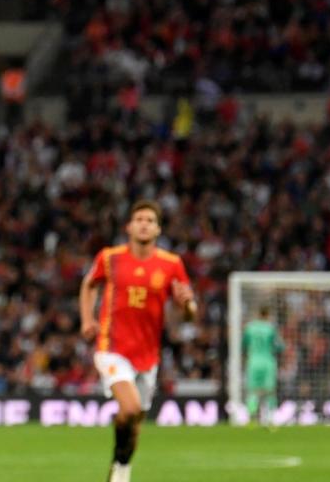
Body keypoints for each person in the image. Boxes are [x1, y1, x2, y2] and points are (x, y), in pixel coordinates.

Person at [79, 200, 196, 482]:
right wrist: (87, 319)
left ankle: (120, 468)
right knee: (130, 408)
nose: (144, 223)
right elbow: (88, 285)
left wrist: (187, 306)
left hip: (148, 355)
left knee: (134, 422)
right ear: (129, 227)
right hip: (112, 347)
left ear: (158, 229)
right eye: (139, 219)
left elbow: (191, 313)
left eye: (150, 220)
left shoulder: (171, 264)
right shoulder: (110, 258)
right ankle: (120, 471)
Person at [243, 305, 283, 427]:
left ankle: (251, 418)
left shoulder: (249, 327)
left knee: (253, 391)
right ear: (268, 315)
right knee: (269, 391)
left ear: (258, 313)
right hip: (267, 361)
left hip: (253, 361)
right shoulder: (271, 328)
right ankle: (270, 418)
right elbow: (280, 346)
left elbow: (243, 345)